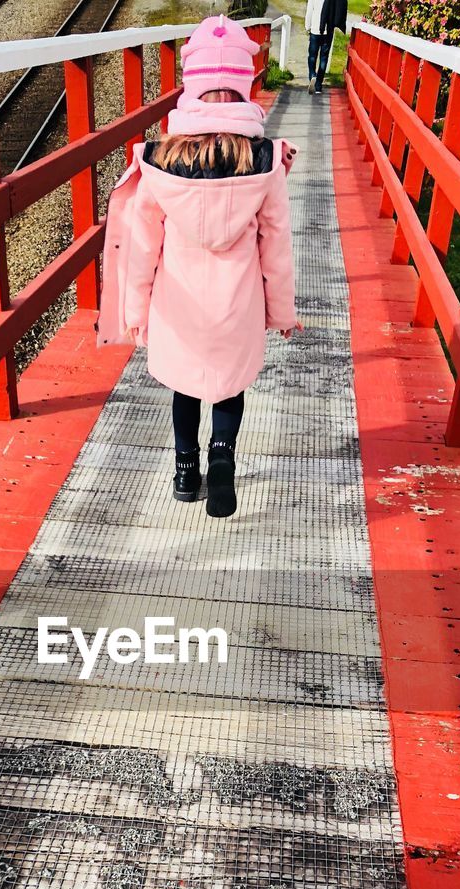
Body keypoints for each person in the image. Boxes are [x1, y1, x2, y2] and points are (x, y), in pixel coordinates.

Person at [97, 14, 299, 518]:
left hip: (178, 304)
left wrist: (135, 311)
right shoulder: (264, 161)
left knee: (186, 387)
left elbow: (143, 247)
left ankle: (186, 471)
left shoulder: (159, 161)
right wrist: (281, 312)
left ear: (191, 86)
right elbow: (276, 244)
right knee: (230, 387)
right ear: (242, 84)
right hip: (238, 304)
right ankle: (223, 463)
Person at [304, 0, 331, 94]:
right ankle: (318, 85)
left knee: (312, 56)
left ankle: (312, 76)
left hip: (315, 30)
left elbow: (309, 12)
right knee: (323, 58)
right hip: (328, 32)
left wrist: (307, 27)